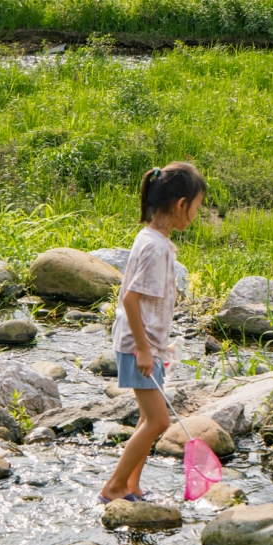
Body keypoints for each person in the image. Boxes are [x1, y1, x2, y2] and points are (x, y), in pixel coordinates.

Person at [99, 161, 207, 504]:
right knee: (159, 421)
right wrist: (145, 351)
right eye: (197, 207)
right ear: (180, 205)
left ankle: (133, 485)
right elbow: (130, 298)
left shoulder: (153, 239)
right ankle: (113, 487)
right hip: (138, 345)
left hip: (146, 344)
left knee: (148, 418)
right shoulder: (156, 247)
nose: (196, 214)